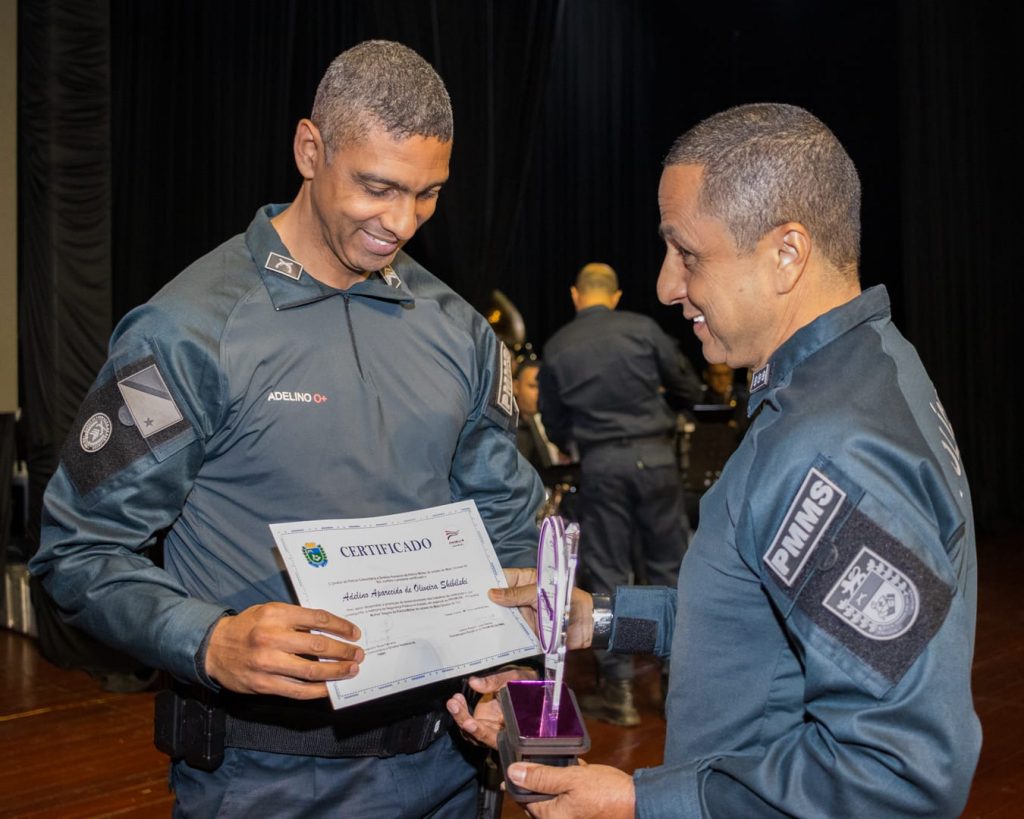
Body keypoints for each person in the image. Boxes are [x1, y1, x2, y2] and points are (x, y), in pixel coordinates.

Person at [30, 40, 544, 817]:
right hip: (267, 778)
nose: (401, 221)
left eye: (428, 193)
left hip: (448, 767)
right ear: (311, 149)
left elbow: (508, 526)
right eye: (377, 187)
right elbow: (77, 549)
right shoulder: (186, 332)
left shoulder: (463, 333)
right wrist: (207, 639)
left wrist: (519, 658)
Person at [449, 103, 980, 817]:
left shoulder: (833, 445)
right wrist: (600, 618)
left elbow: (898, 773)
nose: (668, 285)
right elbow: (758, 617)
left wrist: (644, 801)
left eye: (688, 253)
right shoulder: (858, 370)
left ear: (786, 253)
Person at [537, 263, 701, 726]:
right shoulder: (642, 328)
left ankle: (620, 693)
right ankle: (676, 685)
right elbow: (687, 383)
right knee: (671, 566)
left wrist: (580, 441)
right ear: (616, 294)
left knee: (609, 570)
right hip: (657, 458)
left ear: (575, 295)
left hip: (602, 464)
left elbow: (553, 421)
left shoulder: (558, 346)